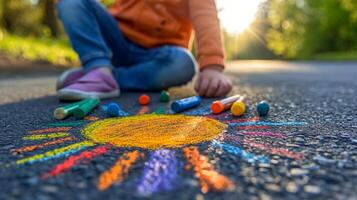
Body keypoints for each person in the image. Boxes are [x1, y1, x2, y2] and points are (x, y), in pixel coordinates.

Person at [56, 0, 232, 100]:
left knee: (184, 63)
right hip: (117, 42)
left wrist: (212, 68)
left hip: (157, 56)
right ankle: (97, 67)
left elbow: (206, 17)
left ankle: (105, 76)